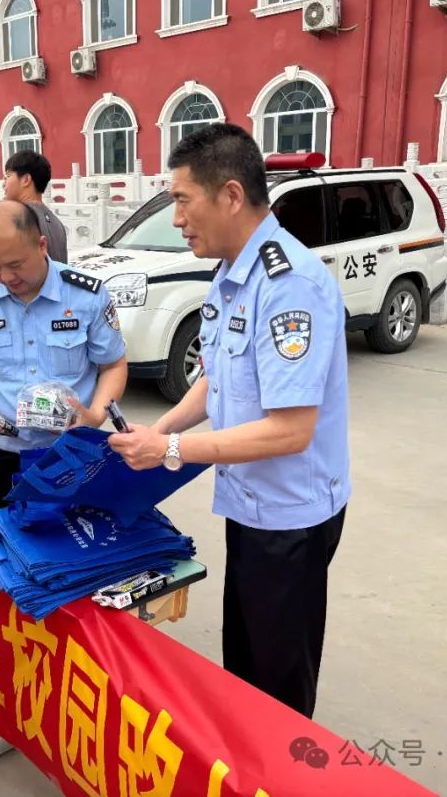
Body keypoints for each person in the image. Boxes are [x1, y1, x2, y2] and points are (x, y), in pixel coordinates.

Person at [108, 123, 349, 720]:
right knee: (245, 664)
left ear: (231, 195)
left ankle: (282, 763)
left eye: (182, 201)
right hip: (250, 503)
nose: (177, 219)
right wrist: (161, 430)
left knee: (278, 679)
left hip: (290, 516)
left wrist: (170, 452)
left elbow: (290, 430)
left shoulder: (289, 286)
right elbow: (215, 378)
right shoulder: (231, 273)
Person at [0, 200, 127, 509]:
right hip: (5, 452)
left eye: (16, 264)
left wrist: (95, 415)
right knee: (9, 535)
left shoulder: (85, 296)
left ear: (42, 245)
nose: (6, 277)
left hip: (71, 450)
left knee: (75, 535)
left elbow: (113, 364)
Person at [2, 150, 68, 264]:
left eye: (8, 176)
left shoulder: (17, 219)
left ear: (26, 180)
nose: (3, 184)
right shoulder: (57, 223)